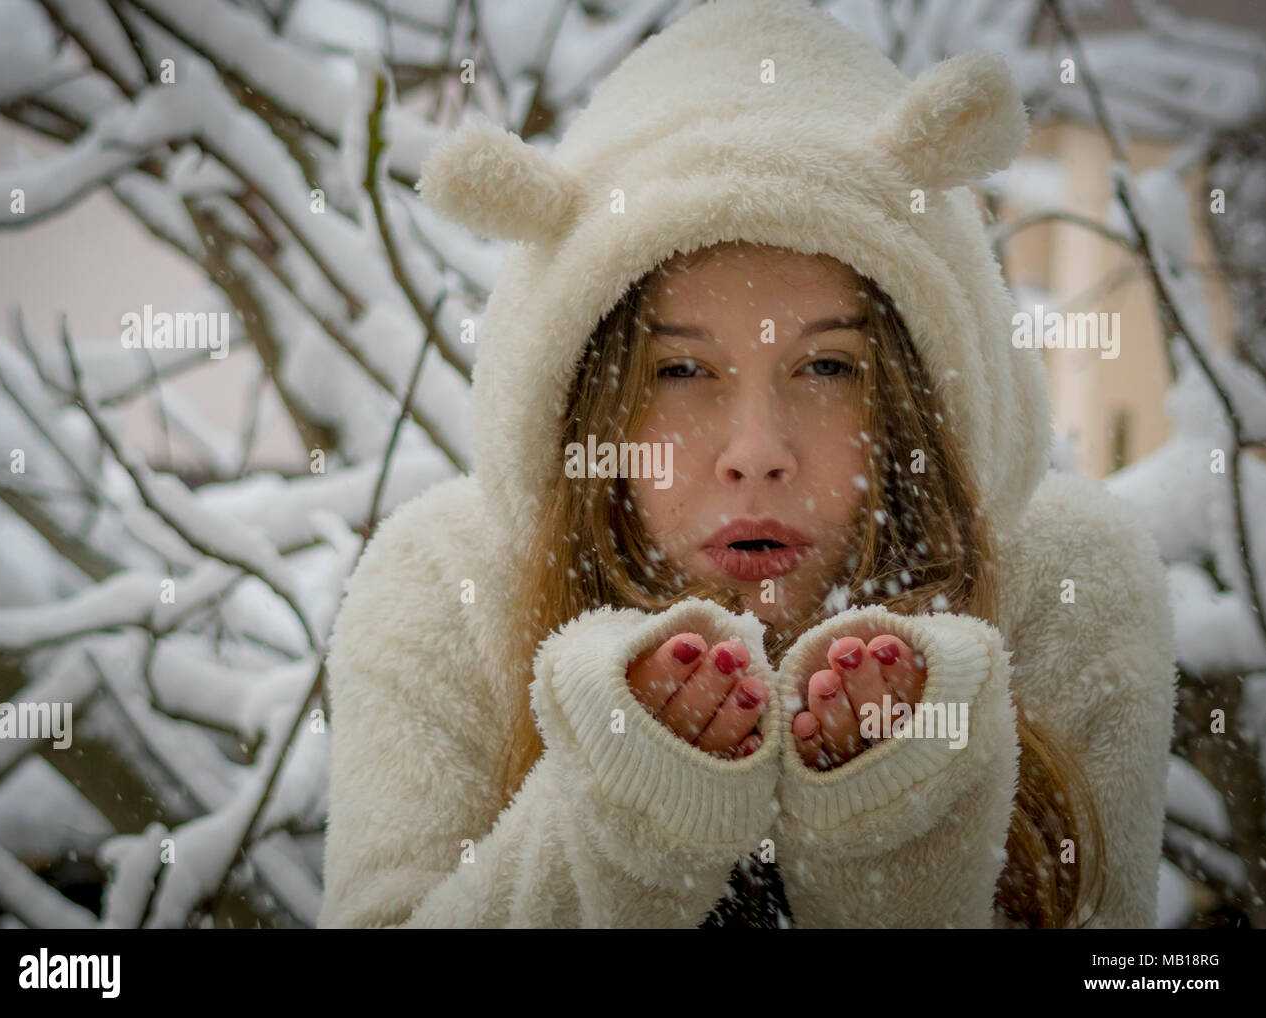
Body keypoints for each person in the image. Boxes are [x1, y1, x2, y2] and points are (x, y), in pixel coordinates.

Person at [316, 0, 1177, 929]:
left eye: (828, 366)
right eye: (680, 370)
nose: (756, 455)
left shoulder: (1067, 588)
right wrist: (625, 816)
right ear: (585, 400)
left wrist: (893, 832)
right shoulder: (447, 592)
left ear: (919, 399)